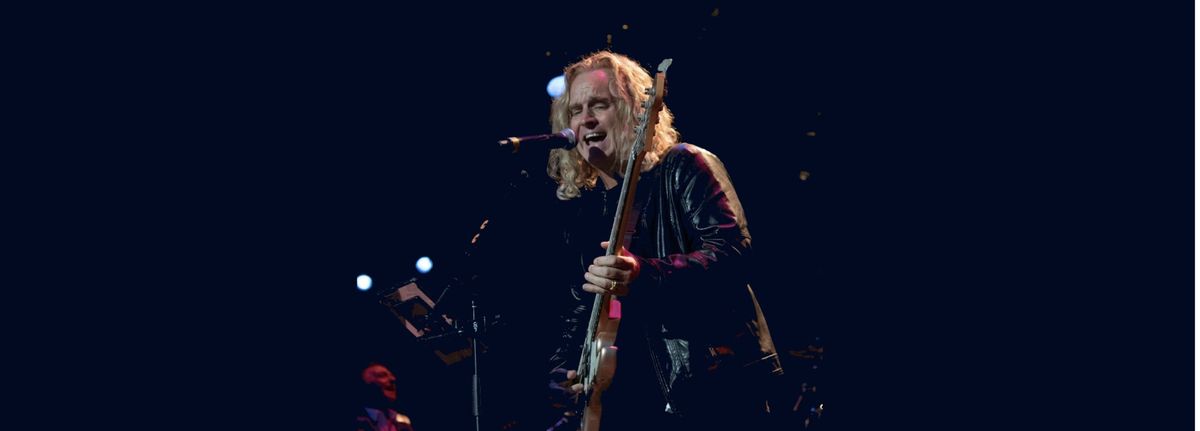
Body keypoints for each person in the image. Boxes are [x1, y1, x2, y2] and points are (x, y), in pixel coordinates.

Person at [538, 51, 785, 430]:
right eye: (575, 110)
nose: (585, 119)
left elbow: (733, 254)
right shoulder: (587, 212)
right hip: (628, 406)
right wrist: (563, 372)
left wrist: (644, 274)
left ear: (636, 112)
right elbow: (580, 308)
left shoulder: (684, 165)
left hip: (708, 391)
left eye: (600, 105)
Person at [354, 362, 414, 431]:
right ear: (366, 386)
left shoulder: (403, 422)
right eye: (382, 375)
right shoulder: (355, 421)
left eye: (391, 375)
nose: (393, 379)